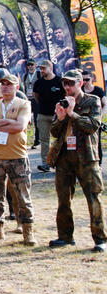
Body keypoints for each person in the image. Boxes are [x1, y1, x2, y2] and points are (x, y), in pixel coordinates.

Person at [48, 70, 107, 252]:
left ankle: (100, 239)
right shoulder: (61, 103)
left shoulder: (92, 100)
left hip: (86, 156)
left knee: (93, 197)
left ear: (80, 83)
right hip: (64, 156)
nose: (67, 87)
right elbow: (54, 132)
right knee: (63, 199)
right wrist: (60, 118)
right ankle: (65, 236)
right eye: (65, 83)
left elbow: (92, 126)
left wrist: (72, 113)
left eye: (71, 83)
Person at [0, 73, 35, 245]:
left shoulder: (24, 104)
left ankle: (27, 232)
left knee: (23, 196)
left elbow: (20, 126)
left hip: (17, 157)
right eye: (3, 84)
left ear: (16, 87)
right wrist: (9, 122)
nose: (5, 87)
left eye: (9, 84)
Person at [33, 60, 65, 172]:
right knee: (44, 140)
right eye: (40, 69)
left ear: (50, 68)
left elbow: (65, 96)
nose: (41, 71)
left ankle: (61, 162)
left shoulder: (59, 81)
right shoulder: (38, 83)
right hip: (43, 114)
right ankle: (45, 163)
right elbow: (36, 97)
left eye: (43, 68)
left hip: (58, 115)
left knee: (61, 139)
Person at [22, 59, 41, 148]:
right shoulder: (25, 76)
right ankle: (24, 140)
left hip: (36, 100)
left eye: (32, 65)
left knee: (37, 120)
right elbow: (25, 88)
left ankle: (37, 140)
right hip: (28, 100)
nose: (30, 66)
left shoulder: (38, 74)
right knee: (25, 120)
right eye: (28, 65)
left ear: (35, 65)